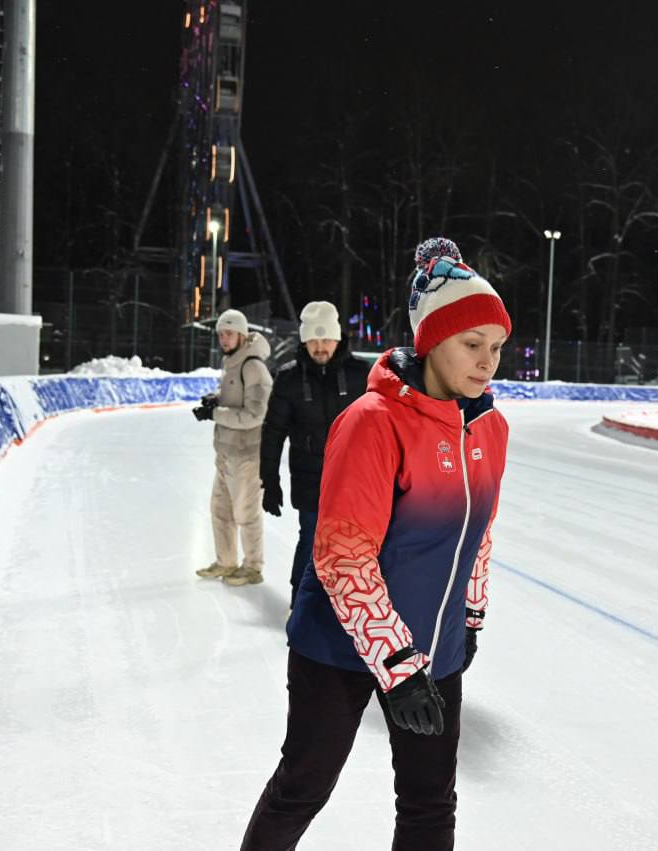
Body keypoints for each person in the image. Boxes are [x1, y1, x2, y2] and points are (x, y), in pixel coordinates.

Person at [240, 238, 511, 850]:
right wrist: (397, 665)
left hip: (433, 646)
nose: (487, 361)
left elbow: (478, 531)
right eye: (472, 345)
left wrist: (468, 616)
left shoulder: (490, 429)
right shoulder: (373, 420)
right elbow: (343, 555)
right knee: (303, 786)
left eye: (496, 347)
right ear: (430, 341)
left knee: (429, 803)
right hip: (339, 647)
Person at [259, 301, 370, 608]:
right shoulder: (289, 378)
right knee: (310, 539)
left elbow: (384, 425)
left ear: (338, 339)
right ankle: (301, 604)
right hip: (310, 477)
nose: (320, 347)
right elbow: (273, 431)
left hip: (353, 479)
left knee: (354, 546)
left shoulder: (362, 374)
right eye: (314, 341)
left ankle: (350, 606)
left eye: (326, 340)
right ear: (305, 341)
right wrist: (269, 480)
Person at [194, 309, 273, 586]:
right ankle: (226, 562)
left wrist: (215, 414)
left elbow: (255, 415)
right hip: (226, 451)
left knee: (245, 512)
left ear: (241, 334)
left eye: (228, 334)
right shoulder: (232, 363)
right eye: (220, 335)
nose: (224, 339)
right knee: (220, 510)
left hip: (247, 455)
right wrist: (215, 400)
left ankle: (253, 566)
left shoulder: (254, 368)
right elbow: (234, 399)